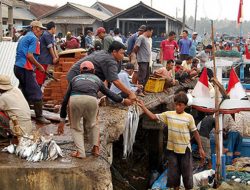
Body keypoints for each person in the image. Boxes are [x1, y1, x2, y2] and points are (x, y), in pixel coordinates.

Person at [57, 61, 131, 158]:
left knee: (75, 127)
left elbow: (65, 100)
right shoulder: (97, 79)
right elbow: (109, 94)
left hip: (75, 100)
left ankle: (80, 152)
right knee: (93, 124)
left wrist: (62, 121)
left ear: (80, 72)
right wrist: (123, 100)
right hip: (91, 100)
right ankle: (96, 149)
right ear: (94, 71)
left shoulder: (74, 79)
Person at [137, 92, 205, 190]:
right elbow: (153, 117)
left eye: (180, 105)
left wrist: (200, 148)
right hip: (172, 151)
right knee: (174, 176)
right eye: (176, 104)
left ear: (185, 106)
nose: (177, 107)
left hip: (185, 150)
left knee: (187, 176)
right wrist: (143, 107)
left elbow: (195, 132)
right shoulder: (168, 115)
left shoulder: (189, 117)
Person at [67, 41, 136, 101]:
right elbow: (115, 81)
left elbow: (107, 79)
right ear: (114, 52)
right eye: (121, 53)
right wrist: (130, 93)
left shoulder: (107, 54)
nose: (123, 56)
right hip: (77, 75)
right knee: (84, 98)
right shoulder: (110, 60)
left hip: (79, 74)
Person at [14, 20, 50, 124]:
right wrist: (39, 66)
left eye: (42, 30)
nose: (41, 32)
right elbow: (29, 56)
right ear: (34, 28)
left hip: (17, 67)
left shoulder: (23, 37)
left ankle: (23, 114)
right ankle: (39, 117)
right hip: (25, 68)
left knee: (25, 92)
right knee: (37, 92)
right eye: (39, 29)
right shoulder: (34, 39)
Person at [36, 21, 59, 86]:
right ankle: (37, 93)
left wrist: (57, 57)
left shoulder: (51, 36)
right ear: (52, 28)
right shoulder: (46, 34)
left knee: (43, 77)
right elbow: (50, 47)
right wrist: (54, 57)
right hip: (42, 59)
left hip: (46, 60)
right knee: (39, 78)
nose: (56, 30)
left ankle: (39, 92)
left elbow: (54, 46)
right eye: (55, 28)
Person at [133, 25, 154, 93]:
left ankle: (143, 89)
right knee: (142, 75)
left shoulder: (148, 38)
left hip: (147, 60)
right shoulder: (141, 37)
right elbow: (136, 47)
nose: (151, 34)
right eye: (151, 32)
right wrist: (137, 55)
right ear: (148, 31)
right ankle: (139, 91)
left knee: (147, 75)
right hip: (142, 60)